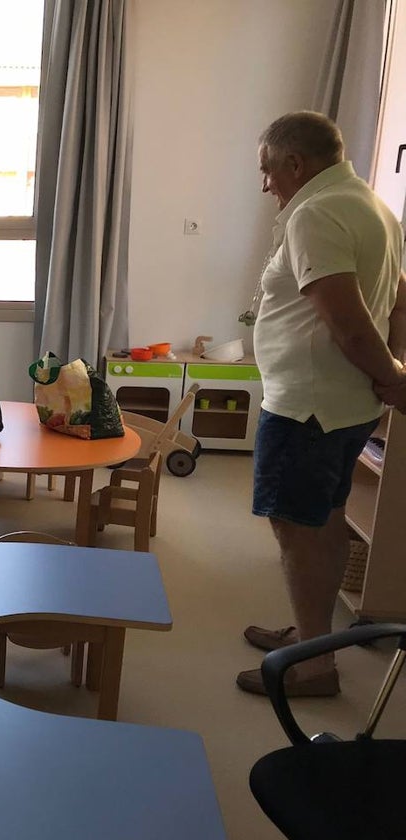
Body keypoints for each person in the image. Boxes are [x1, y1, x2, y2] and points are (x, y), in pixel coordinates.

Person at [238, 111, 406, 697]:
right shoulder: (373, 204)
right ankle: (314, 639)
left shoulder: (315, 212)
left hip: (308, 407)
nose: (265, 184)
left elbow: (350, 323)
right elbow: (399, 298)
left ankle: (313, 669)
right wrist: (391, 373)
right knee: (325, 521)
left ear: (295, 163)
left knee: (296, 530)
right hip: (342, 404)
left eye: (267, 170)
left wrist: (393, 377)